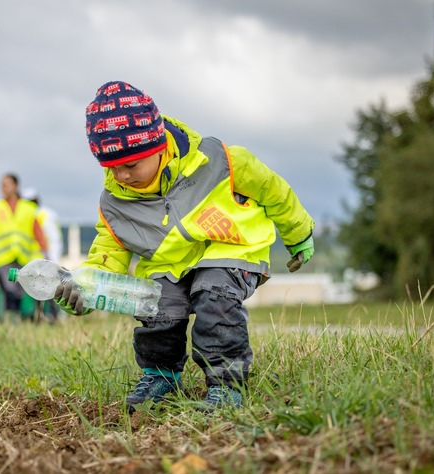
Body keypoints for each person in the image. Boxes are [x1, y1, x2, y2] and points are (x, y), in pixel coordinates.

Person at [55, 81, 315, 412]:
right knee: (156, 305)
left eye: (131, 165)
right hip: (170, 265)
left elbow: (273, 190)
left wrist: (298, 233)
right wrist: (86, 287)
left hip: (231, 249)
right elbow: (108, 253)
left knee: (214, 294)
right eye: (111, 167)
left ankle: (225, 385)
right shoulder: (114, 203)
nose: (121, 175)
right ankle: (161, 374)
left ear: (158, 145)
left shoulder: (219, 160)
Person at [0, 174, 48, 322]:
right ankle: (12, 319)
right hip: (3, 258)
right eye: (2, 185)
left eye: (7, 185)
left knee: (22, 290)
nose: (4, 188)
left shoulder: (29, 208)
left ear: (16, 186)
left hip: (24, 257)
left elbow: (38, 231)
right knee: (9, 289)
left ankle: (24, 319)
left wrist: (45, 250)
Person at [21, 187, 63, 322]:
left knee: (46, 290)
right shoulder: (36, 214)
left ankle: (50, 316)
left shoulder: (43, 215)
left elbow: (53, 238)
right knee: (37, 290)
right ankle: (41, 316)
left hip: (43, 261)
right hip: (36, 260)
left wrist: (52, 260)